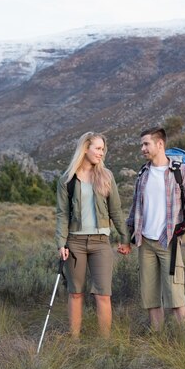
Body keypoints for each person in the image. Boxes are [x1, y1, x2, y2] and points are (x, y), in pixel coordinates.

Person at [127, 127, 185, 331]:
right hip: (145, 243)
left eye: (146, 144)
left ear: (160, 144)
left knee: (176, 297)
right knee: (151, 297)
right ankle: (158, 338)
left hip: (168, 242)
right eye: (141, 145)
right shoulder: (143, 174)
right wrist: (128, 239)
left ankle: (183, 341)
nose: (142, 148)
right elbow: (134, 209)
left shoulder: (180, 172)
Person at [55, 132, 131, 339]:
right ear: (85, 148)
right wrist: (61, 243)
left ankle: (105, 343)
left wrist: (125, 238)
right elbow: (62, 214)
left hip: (100, 242)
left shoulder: (106, 176)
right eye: (97, 148)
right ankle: (74, 341)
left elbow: (115, 210)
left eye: (102, 149)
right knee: (76, 293)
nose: (101, 152)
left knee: (103, 294)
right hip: (75, 242)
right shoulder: (67, 180)